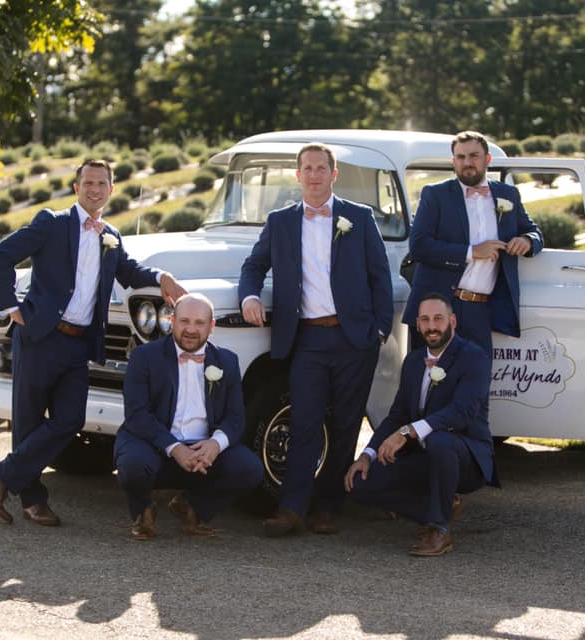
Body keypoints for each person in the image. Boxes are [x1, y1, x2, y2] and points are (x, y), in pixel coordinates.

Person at [0, 159, 187, 527]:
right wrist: (11, 306)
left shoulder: (111, 237)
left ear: (111, 189)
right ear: (77, 188)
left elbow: (131, 272)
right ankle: (33, 500)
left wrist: (162, 276)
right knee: (27, 421)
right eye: (88, 183)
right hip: (40, 337)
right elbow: (0, 255)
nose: (95, 189)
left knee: (70, 418)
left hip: (78, 346)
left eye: (102, 183)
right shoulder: (52, 223)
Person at [239, 142, 393, 537]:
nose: (314, 174)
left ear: (333, 174)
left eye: (321, 168)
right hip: (306, 339)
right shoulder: (281, 221)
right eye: (307, 168)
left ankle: (328, 508)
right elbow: (254, 264)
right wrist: (250, 295)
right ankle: (292, 508)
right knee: (304, 421)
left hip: (355, 340)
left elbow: (380, 276)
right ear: (298, 175)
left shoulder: (358, 218)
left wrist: (379, 330)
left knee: (345, 425)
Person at [345, 292, 497, 557]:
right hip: (424, 456)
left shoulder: (474, 358)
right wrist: (367, 454)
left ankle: (439, 530)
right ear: (417, 324)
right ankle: (439, 507)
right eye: (425, 320)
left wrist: (409, 432)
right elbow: (397, 415)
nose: (431, 326)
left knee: (439, 440)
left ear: (453, 321)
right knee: (359, 483)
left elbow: (463, 412)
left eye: (438, 319)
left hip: (466, 458)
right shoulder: (414, 361)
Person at [113, 293, 264, 540]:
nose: (190, 330)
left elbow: (235, 418)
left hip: (203, 449)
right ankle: (143, 510)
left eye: (199, 323)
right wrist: (174, 447)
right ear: (172, 321)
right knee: (132, 466)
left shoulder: (227, 361)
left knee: (250, 469)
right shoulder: (144, 357)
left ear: (211, 327)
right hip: (155, 444)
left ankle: (193, 507)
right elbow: (137, 414)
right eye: (184, 321)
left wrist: (215, 444)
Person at [403, 130, 543, 356]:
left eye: (474, 156)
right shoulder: (435, 194)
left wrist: (527, 240)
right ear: (453, 161)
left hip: (480, 309)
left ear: (487, 159)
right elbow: (419, 246)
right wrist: (472, 252)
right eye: (460, 157)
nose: (467, 163)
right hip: (437, 308)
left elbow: (534, 232)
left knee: (476, 382)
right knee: (432, 384)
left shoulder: (508, 194)